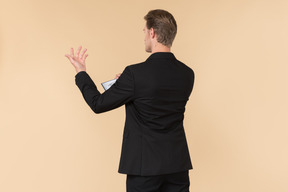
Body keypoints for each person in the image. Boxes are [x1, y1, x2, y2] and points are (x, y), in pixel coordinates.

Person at [65, 9, 195, 192]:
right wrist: (128, 87)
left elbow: (98, 104)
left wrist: (81, 73)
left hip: (144, 168)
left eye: (144, 31)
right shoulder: (187, 74)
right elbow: (158, 100)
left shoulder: (135, 74)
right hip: (177, 166)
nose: (144, 37)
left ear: (152, 32)